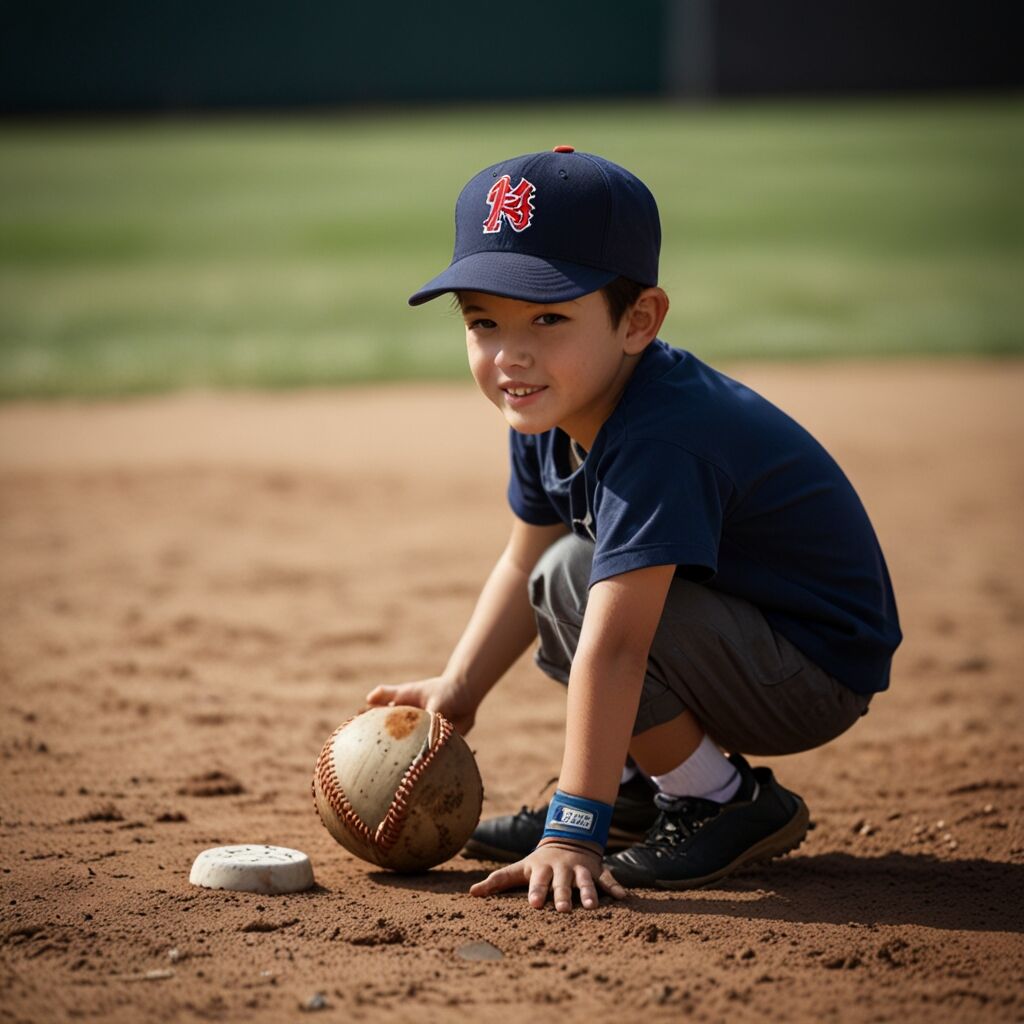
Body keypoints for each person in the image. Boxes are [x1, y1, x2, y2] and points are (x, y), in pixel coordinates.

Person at [366, 147, 901, 913]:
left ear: (638, 320)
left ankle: (718, 797)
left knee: (586, 585)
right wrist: (459, 688)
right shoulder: (546, 404)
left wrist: (572, 832)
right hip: (734, 634)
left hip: (808, 669)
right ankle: (637, 795)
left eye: (550, 317)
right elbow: (526, 564)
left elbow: (616, 648)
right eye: (485, 321)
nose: (512, 355)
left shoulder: (660, 436)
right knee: (561, 570)